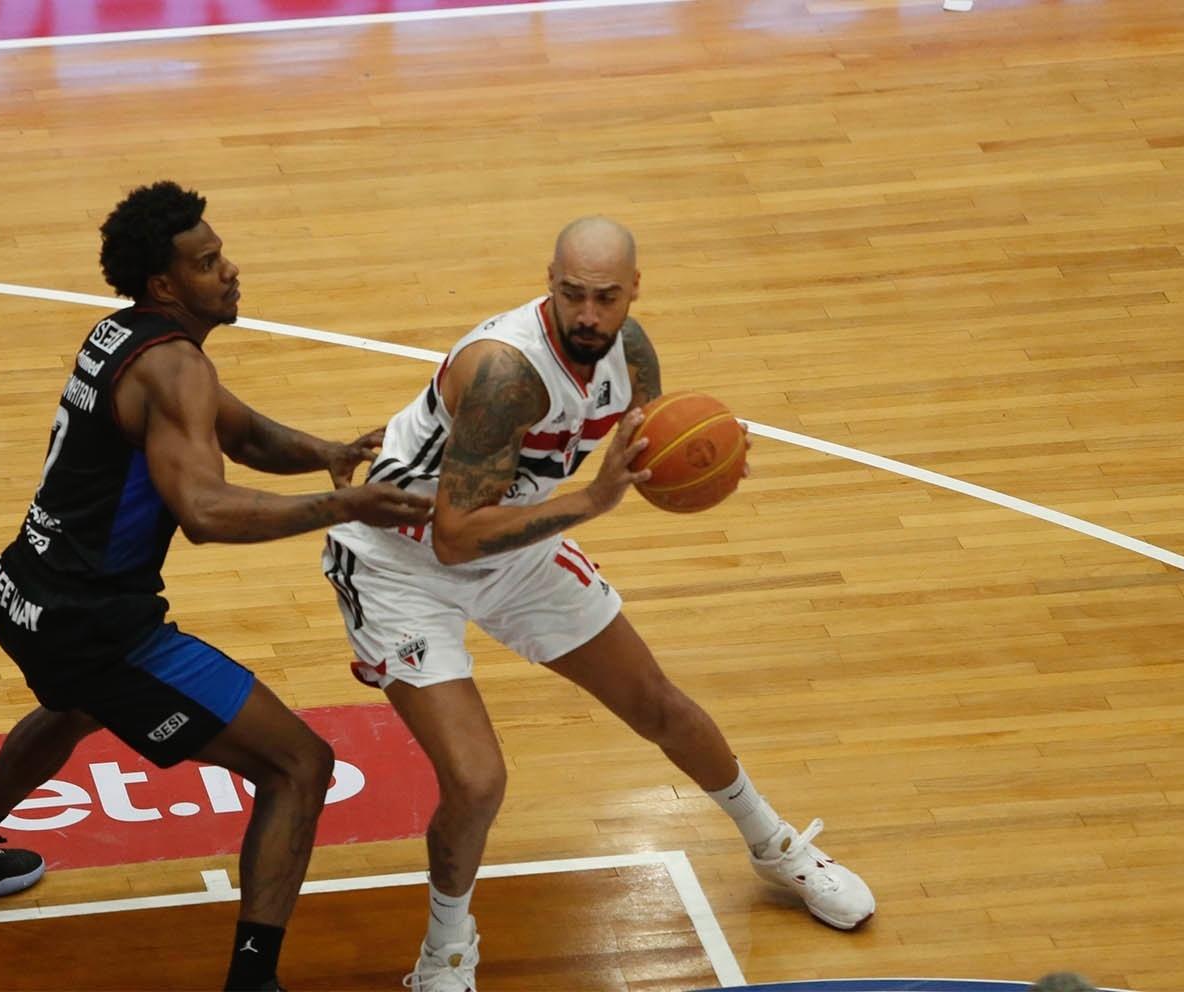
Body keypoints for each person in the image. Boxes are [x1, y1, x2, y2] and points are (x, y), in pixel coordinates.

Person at [320, 216, 875, 990]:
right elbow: (452, 537)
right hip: (402, 565)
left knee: (656, 702)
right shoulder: (505, 372)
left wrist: (709, 460)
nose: (588, 314)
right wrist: (591, 501)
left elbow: (650, 451)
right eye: (571, 294)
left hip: (508, 542)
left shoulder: (632, 351)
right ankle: (442, 956)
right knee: (479, 780)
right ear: (547, 282)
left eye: (605, 297)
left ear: (633, 292)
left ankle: (775, 848)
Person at [0, 181, 433, 992]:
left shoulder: (125, 335)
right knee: (300, 766)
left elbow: (242, 430)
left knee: (76, 705)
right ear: (165, 285)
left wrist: (327, 451)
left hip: (19, 588)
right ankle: (252, 981)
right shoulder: (176, 366)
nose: (230, 271)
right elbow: (205, 512)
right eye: (208, 261)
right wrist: (343, 504)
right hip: (93, 623)